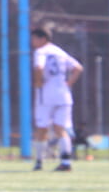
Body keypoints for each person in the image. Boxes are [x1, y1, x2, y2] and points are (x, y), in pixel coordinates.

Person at [30, 26, 83, 171]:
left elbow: (39, 67)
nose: (32, 42)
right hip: (64, 95)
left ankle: (39, 162)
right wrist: (69, 83)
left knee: (42, 128)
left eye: (34, 39)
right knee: (60, 129)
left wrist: (38, 82)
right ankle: (66, 162)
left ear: (42, 39)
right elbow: (78, 68)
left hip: (46, 95)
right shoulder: (59, 51)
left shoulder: (40, 51)